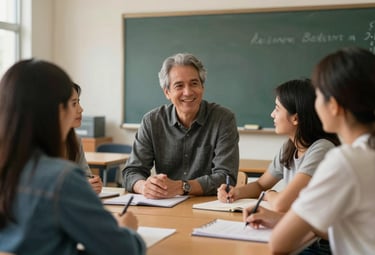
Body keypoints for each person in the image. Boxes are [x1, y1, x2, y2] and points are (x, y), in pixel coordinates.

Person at [0, 59, 146, 255]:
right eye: (72, 104)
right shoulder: (60, 178)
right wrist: (125, 229)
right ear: (58, 110)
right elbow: (124, 250)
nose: (79, 110)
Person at [269, 48, 375, 254]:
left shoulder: (346, 161)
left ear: (334, 105)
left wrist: (283, 219)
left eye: (318, 96)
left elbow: (278, 245)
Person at [220, 79, 340, 254]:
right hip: (300, 235)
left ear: (296, 118)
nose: (272, 115)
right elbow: (261, 184)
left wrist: (270, 194)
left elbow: (281, 204)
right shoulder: (289, 147)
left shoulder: (321, 149)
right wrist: (235, 192)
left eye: (277, 108)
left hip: (319, 245)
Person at [122, 53, 239, 199]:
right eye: (179, 85)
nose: (188, 92)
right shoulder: (152, 121)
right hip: (164, 206)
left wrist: (182, 187)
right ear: (167, 92)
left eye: (194, 83)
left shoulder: (223, 119)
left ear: (202, 87)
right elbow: (131, 172)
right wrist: (144, 187)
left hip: (207, 205)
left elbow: (226, 177)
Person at [64, 83, 103, 194]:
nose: (81, 109)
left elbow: (84, 176)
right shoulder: (36, 147)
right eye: (74, 104)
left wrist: (92, 184)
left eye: (78, 102)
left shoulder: (74, 140)